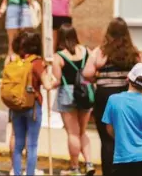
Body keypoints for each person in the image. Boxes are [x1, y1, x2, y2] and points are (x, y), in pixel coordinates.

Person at [83, 17, 142, 176]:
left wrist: (97, 75)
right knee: (128, 136)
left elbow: (86, 73)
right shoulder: (134, 52)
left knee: (106, 139)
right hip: (127, 96)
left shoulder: (101, 51)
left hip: (104, 97)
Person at [52, 24, 95, 175]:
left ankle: (75, 168)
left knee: (72, 133)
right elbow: (92, 72)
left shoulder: (59, 56)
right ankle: (89, 163)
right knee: (83, 132)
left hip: (67, 93)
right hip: (85, 91)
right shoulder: (86, 51)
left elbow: (56, 80)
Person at [9, 31, 53, 176]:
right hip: (33, 106)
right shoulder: (37, 62)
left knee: (18, 144)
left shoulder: (15, 61)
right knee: (32, 144)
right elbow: (47, 85)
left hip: (16, 105)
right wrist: (51, 76)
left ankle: (16, 173)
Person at [102, 63, 142, 176]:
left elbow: (109, 129)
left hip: (122, 158)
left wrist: (122, 137)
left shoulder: (113, 100)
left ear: (128, 79)